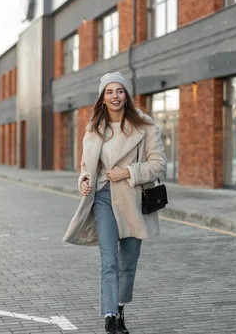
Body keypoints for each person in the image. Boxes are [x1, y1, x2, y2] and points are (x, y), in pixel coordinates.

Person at [63, 72, 167, 334]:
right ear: (102, 97)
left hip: (132, 199)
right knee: (108, 259)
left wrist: (128, 172)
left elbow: (159, 165)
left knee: (128, 262)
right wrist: (84, 180)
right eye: (109, 92)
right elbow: (86, 166)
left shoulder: (145, 127)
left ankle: (119, 307)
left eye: (119, 91)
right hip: (102, 197)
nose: (115, 96)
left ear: (126, 95)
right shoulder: (94, 129)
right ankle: (110, 317)